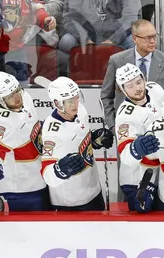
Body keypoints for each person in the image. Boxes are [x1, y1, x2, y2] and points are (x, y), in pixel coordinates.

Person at [41, 77, 114, 211]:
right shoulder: (52, 132)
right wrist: (60, 170)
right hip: (70, 202)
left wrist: (95, 140)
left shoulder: (81, 111)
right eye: (70, 101)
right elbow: (46, 173)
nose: (75, 104)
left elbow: (80, 142)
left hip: (93, 192)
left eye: (76, 97)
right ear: (57, 103)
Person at [0, 71, 48, 211]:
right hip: (20, 188)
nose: (17, 97)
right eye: (10, 96)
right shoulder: (2, 122)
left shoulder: (25, 97)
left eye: (17, 91)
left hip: (38, 177)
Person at [101, 19, 164, 128]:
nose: (153, 41)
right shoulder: (117, 61)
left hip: (159, 129)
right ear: (135, 39)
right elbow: (106, 96)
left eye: (154, 36)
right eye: (148, 38)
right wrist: (112, 125)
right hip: (126, 127)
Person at [114, 63, 164, 212]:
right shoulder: (125, 115)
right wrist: (136, 148)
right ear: (122, 89)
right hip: (136, 178)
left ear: (144, 79)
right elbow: (125, 155)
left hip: (159, 169)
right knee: (143, 212)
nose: (137, 88)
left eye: (138, 82)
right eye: (130, 86)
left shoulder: (155, 89)